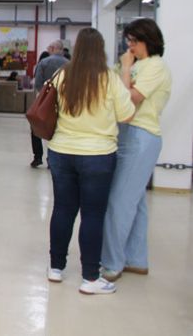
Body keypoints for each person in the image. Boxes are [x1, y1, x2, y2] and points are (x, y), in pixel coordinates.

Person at [45, 28, 135, 295]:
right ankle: (90, 278)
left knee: (63, 209)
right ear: (101, 49)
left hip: (61, 151)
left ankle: (55, 268)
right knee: (93, 215)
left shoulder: (63, 74)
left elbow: (48, 104)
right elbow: (127, 115)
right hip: (98, 155)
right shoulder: (109, 78)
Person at [101, 19, 171, 282]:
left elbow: (131, 98)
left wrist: (127, 68)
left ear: (148, 40)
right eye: (128, 40)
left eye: (134, 41)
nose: (130, 46)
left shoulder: (155, 66)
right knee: (135, 201)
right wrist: (125, 68)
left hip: (141, 136)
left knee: (119, 202)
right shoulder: (135, 64)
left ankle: (112, 263)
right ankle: (136, 259)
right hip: (126, 134)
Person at [31, 40, 68, 167]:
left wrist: (44, 97)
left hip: (44, 103)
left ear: (52, 48)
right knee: (57, 130)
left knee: (35, 127)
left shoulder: (43, 62)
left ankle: (37, 157)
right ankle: (51, 159)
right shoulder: (69, 64)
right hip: (63, 103)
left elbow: (38, 84)